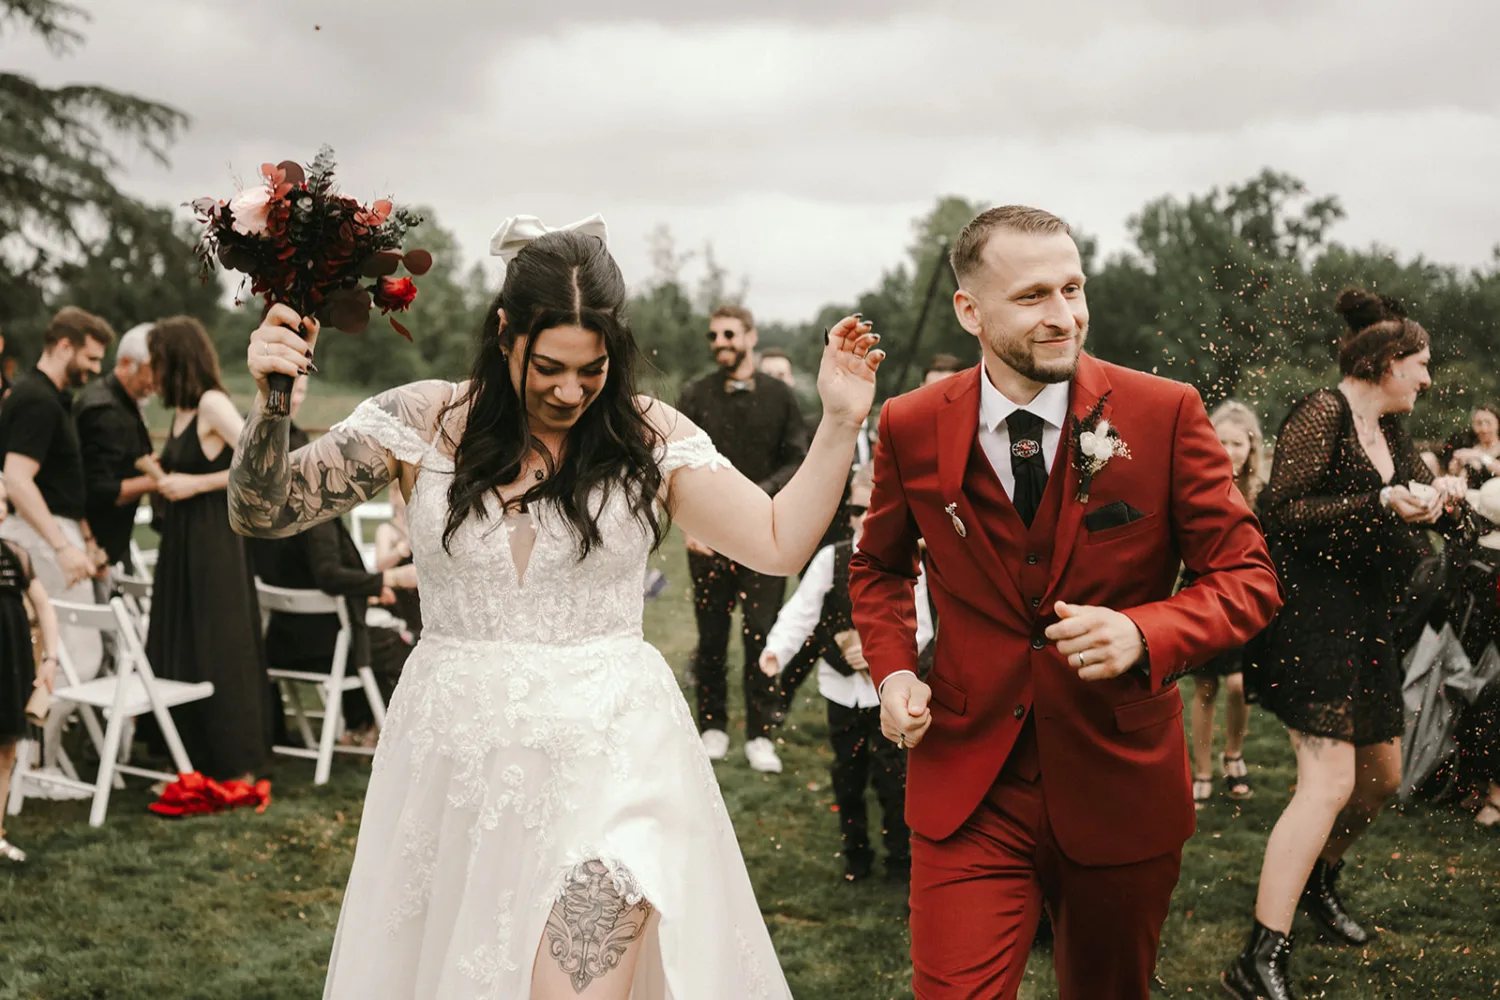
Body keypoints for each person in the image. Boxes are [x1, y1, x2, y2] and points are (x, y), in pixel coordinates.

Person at [227, 219, 882, 1000]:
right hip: (455, 765)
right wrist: (269, 400)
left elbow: (776, 541)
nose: (570, 391)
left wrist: (841, 421)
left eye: (592, 369)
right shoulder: (422, 423)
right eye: (549, 367)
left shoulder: (647, 436)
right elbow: (262, 511)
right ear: (504, 334)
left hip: (613, 758)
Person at [850, 205, 1282, 1000]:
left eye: (1073, 288)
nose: (1064, 316)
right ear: (969, 312)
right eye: (1034, 296)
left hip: (1120, 779)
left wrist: (1145, 630)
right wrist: (893, 672)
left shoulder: (1163, 412)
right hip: (967, 779)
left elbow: (1249, 576)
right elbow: (876, 569)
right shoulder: (910, 425)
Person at [1222, 289, 1473, 999]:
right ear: (1388, 361)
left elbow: (1428, 511)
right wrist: (1377, 502)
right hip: (1310, 618)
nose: (1428, 380)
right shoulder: (1322, 412)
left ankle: (1315, 880)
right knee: (1327, 781)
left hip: (1369, 620)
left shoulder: (1391, 432)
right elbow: (1283, 512)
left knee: (1380, 780)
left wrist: (1447, 501)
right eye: (1421, 365)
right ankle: (1258, 957)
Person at [760, 463, 929, 883]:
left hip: (885, 695)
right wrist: (775, 652)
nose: (862, 519)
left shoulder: (908, 559)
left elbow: (923, 626)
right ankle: (856, 856)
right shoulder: (830, 559)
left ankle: (899, 861)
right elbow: (800, 612)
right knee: (847, 776)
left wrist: (878, 657)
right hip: (839, 691)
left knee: (893, 780)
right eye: (855, 510)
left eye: (871, 509)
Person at [677, 303, 810, 773]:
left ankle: (760, 734)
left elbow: (798, 458)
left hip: (762, 535)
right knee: (711, 637)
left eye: (729, 335)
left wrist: (757, 495)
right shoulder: (695, 395)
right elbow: (674, 465)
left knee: (760, 634)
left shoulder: (780, 396)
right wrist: (690, 525)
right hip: (708, 539)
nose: (720, 345)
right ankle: (712, 726)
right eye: (714, 337)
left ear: (751, 337)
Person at [250, 376, 418, 742]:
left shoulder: (267, 506)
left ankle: (362, 725)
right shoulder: (312, 510)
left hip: (280, 640)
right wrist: (383, 582)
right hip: (323, 645)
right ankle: (389, 734)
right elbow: (327, 574)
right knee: (402, 650)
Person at [144, 316, 269, 782]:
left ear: (177, 358)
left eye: (158, 360)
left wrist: (194, 484)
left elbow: (257, 465)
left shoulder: (213, 404)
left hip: (214, 540)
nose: (153, 371)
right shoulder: (179, 411)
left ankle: (235, 759)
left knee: (220, 642)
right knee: (185, 640)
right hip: (180, 543)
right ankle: (188, 753)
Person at [0, 307, 112, 690]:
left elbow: (63, 482)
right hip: (41, 535)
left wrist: (88, 541)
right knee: (72, 659)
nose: (96, 369)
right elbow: (16, 478)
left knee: (75, 656)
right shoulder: (36, 400)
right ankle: (39, 747)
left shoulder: (51, 397)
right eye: (91, 358)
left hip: (56, 531)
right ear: (65, 346)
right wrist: (63, 547)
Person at [1187, 400, 1267, 809]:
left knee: (1238, 686)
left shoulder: (1260, 492)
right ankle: (1200, 769)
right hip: (1202, 590)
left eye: (1238, 443)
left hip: (1245, 597)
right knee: (1205, 687)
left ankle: (1233, 754)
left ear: (1252, 448)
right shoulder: (1197, 482)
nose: (1230, 450)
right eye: (1222, 441)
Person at [0, 477, 63, 863]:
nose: (1, 508)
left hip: (10, 666)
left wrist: (51, 659)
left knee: (5, 752)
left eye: (3, 500)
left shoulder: (15, 554)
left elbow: (44, 607)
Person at [74, 322, 157, 573]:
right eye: (152, 370)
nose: (157, 380)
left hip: (115, 543)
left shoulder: (127, 403)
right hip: (93, 550)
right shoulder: (105, 411)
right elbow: (100, 490)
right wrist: (160, 480)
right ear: (126, 364)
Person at [1442, 403, 1500, 488]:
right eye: (1479, 423)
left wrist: (1480, 456)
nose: (1484, 429)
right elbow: (1455, 474)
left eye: (1488, 423)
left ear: (1497, 424)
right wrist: (1456, 465)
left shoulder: (1473, 453)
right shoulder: (1469, 445)